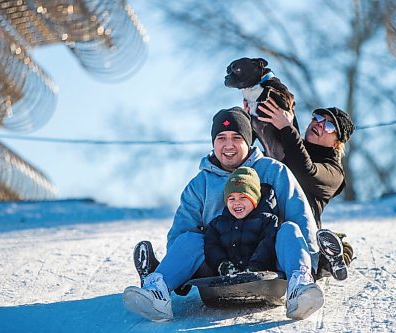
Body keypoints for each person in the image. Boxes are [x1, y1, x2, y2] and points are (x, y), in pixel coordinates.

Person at [123, 107, 333, 321]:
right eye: (221, 138)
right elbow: (181, 234)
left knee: (290, 229)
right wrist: (178, 273)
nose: (228, 145)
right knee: (189, 239)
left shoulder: (273, 171)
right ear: (213, 143)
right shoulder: (200, 184)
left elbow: (300, 217)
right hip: (219, 267)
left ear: (249, 141)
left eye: (236, 137)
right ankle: (157, 290)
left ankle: (301, 287)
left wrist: (312, 261)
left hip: (268, 263)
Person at [256, 99, 355, 280]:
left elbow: (305, 172)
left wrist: (287, 128)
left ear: (336, 143)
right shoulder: (291, 144)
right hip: (265, 222)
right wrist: (254, 114)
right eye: (318, 117)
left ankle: (328, 259)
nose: (320, 124)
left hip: (298, 232)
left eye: (330, 126)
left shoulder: (334, 173)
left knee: (295, 239)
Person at [205, 166, 278, 276]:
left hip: (260, 275)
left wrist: (255, 266)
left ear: (255, 200)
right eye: (231, 199)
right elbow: (211, 247)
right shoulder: (217, 224)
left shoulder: (267, 221)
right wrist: (222, 264)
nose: (237, 203)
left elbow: (266, 246)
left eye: (243, 197)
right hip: (229, 276)